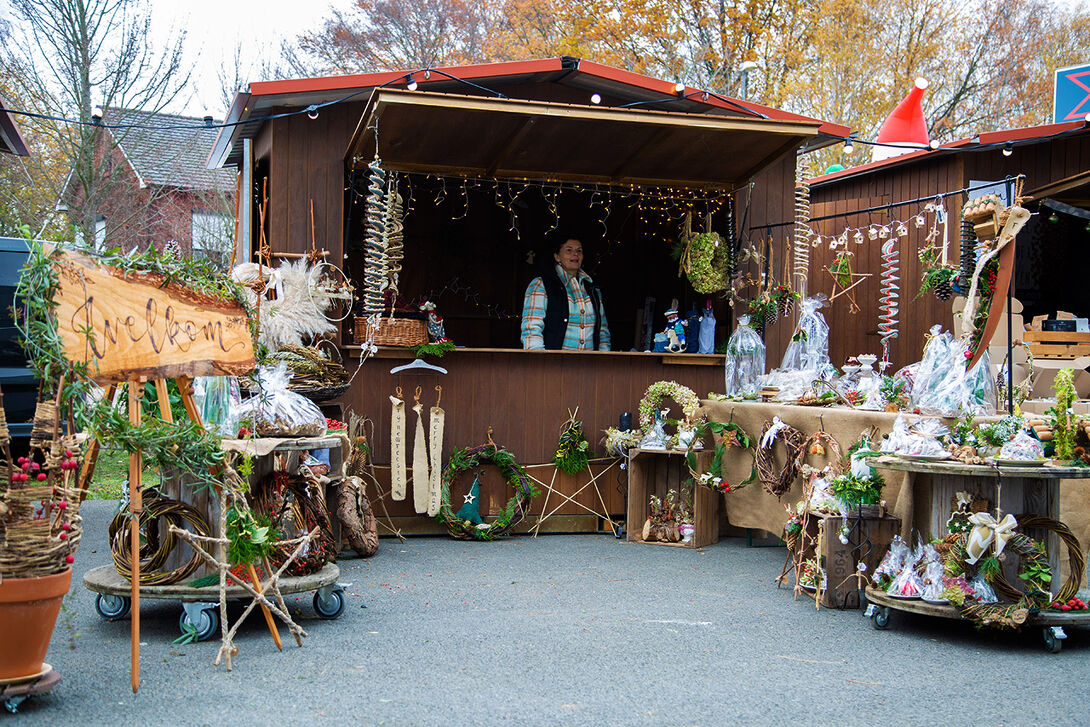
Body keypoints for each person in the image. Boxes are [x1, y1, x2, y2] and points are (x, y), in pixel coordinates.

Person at [520, 237, 611, 351]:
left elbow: (602, 331)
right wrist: (541, 362)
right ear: (557, 256)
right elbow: (532, 329)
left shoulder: (592, 288)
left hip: (589, 366)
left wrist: (604, 360)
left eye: (579, 250)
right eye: (569, 250)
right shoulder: (541, 285)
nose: (575, 254)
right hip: (555, 365)